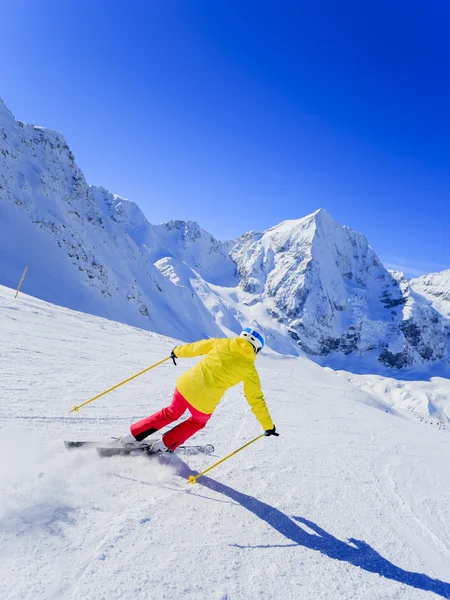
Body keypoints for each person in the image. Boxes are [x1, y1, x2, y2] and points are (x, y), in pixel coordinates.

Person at [120, 327, 279, 452]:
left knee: (171, 412)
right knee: (196, 422)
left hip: (185, 386)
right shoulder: (249, 369)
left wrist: (176, 351)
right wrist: (268, 426)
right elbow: (256, 400)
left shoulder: (221, 342)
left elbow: (196, 347)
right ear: (256, 349)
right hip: (204, 402)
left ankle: (132, 435)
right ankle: (164, 445)